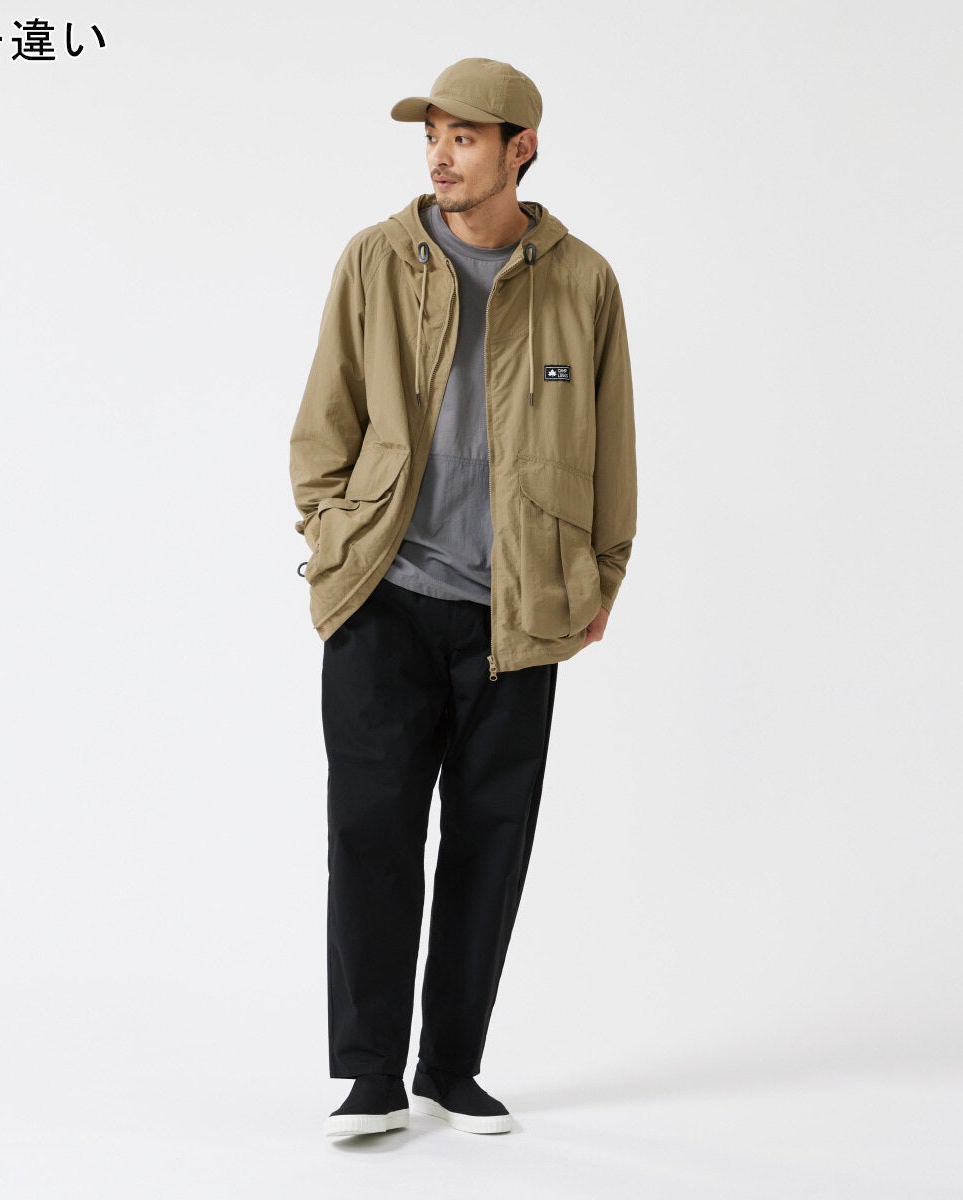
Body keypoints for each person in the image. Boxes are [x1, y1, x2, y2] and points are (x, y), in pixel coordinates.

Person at [288, 57, 637, 1138]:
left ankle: (450, 1067)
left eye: (465, 137)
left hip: (518, 614)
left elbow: (613, 443)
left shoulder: (582, 280)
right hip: (384, 597)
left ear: (520, 148)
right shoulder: (376, 258)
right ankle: (368, 1074)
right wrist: (332, 538)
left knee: (492, 843)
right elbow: (325, 419)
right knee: (372, 835)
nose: (441, 156)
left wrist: (602, 573)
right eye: (432, 135)